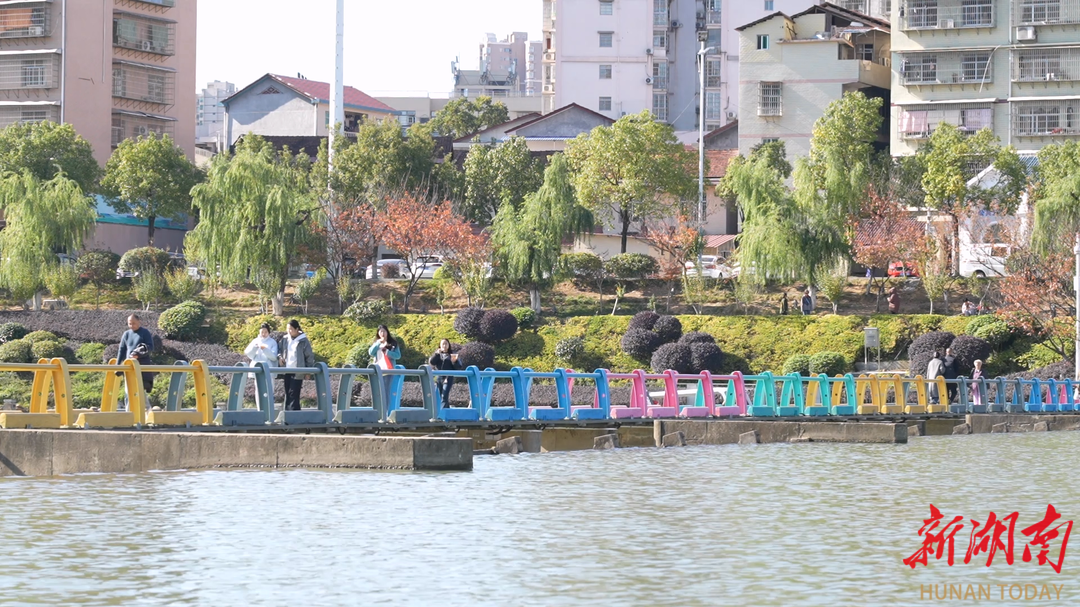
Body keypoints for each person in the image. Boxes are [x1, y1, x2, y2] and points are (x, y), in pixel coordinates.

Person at [117, 314, 155, 411]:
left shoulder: (145, 332)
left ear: (139, 321)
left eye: (134, 323)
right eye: (130, 323)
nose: (132, 325)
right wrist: (117, 366)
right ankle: (129, 413)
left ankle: (148, 411)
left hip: (141, 366)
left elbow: (150, 347)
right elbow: (121, 350)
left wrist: (139, 354)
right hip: (129, 367)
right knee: (128, 391)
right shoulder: (126, 334)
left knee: (140, 390)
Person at [277, 319, 315, 411]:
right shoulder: (285, 339)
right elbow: (279, 350)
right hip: (287, 369)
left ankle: (294, 413)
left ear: (297, 329)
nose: (289, 331)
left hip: (298, 370)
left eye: (291, 329)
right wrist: (280, 357)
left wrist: (308, 371)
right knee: (288, 392)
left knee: (294, 392)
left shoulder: (303, 340)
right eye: (287, 329)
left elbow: (309, 356)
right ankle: (288, 413)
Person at [368, 324, 402, 405]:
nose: (382, 333)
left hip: (388, 370)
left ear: (387, 332)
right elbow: (371, 352)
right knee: (377, 390)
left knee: (386, 391)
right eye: (380, 332)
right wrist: (377, 344)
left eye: (384, 331)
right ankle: (377, 408)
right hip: (377, 370)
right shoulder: (376, 343)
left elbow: (398, 356)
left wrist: (388, 352)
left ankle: (385, 410)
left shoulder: (393, 343)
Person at [428, 338, 461, 409]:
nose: (444, 345)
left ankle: (443, 411)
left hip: (448, 377)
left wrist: (454, 361)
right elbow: (432, 362)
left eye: (446, 344)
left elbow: (458, 367)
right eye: (442, 344)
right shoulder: (437, 354)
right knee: (441, 396)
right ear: (440, 345)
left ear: (449, 345)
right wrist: (437, 354)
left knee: (444, 396)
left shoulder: (452, 354)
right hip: (439, 377)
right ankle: (447, 410)